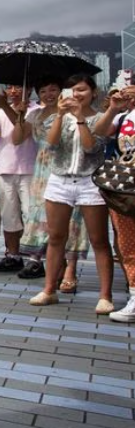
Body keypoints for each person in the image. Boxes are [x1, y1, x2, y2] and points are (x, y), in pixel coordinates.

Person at [29, 75, 113, 312]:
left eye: (82, 90)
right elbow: (51, 143)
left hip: (90, 181)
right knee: (56, 238)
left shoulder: (99, 118)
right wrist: (60, 114)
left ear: (93, 92)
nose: (77, 95)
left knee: (99, 240)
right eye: (73, 91)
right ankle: (48, 290)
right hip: (59, 180)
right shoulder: (58, 117)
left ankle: (105, 296)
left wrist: (79, 119)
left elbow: (91, 147)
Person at [12, 77, 87, 288]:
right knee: (45, 221)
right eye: (43, 90)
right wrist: (19, 114)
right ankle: (52, 264)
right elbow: (17, 138)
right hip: (41, 171)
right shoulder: (34, 114)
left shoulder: (71, 112)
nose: (48, 94)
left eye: (53, 89)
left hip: (64, 167)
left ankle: (70, 270)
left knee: (72, 219)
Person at [0, 85, 38, 274]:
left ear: (29, 90)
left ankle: (34, 258)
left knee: (31, 216)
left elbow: (21, 134)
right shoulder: (2, 109)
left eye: (18, 87)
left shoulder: (35, 110)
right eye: (10, 87)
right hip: (4, 168)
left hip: (29, 170)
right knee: (9, 217)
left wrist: (5, 107)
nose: (13, 91)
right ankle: (13, 255)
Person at [93, 83, 135, 322]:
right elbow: (100, 131)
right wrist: (114, 109)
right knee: (128, 245)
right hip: (126, 188)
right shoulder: (123, 117)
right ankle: (134, 295)